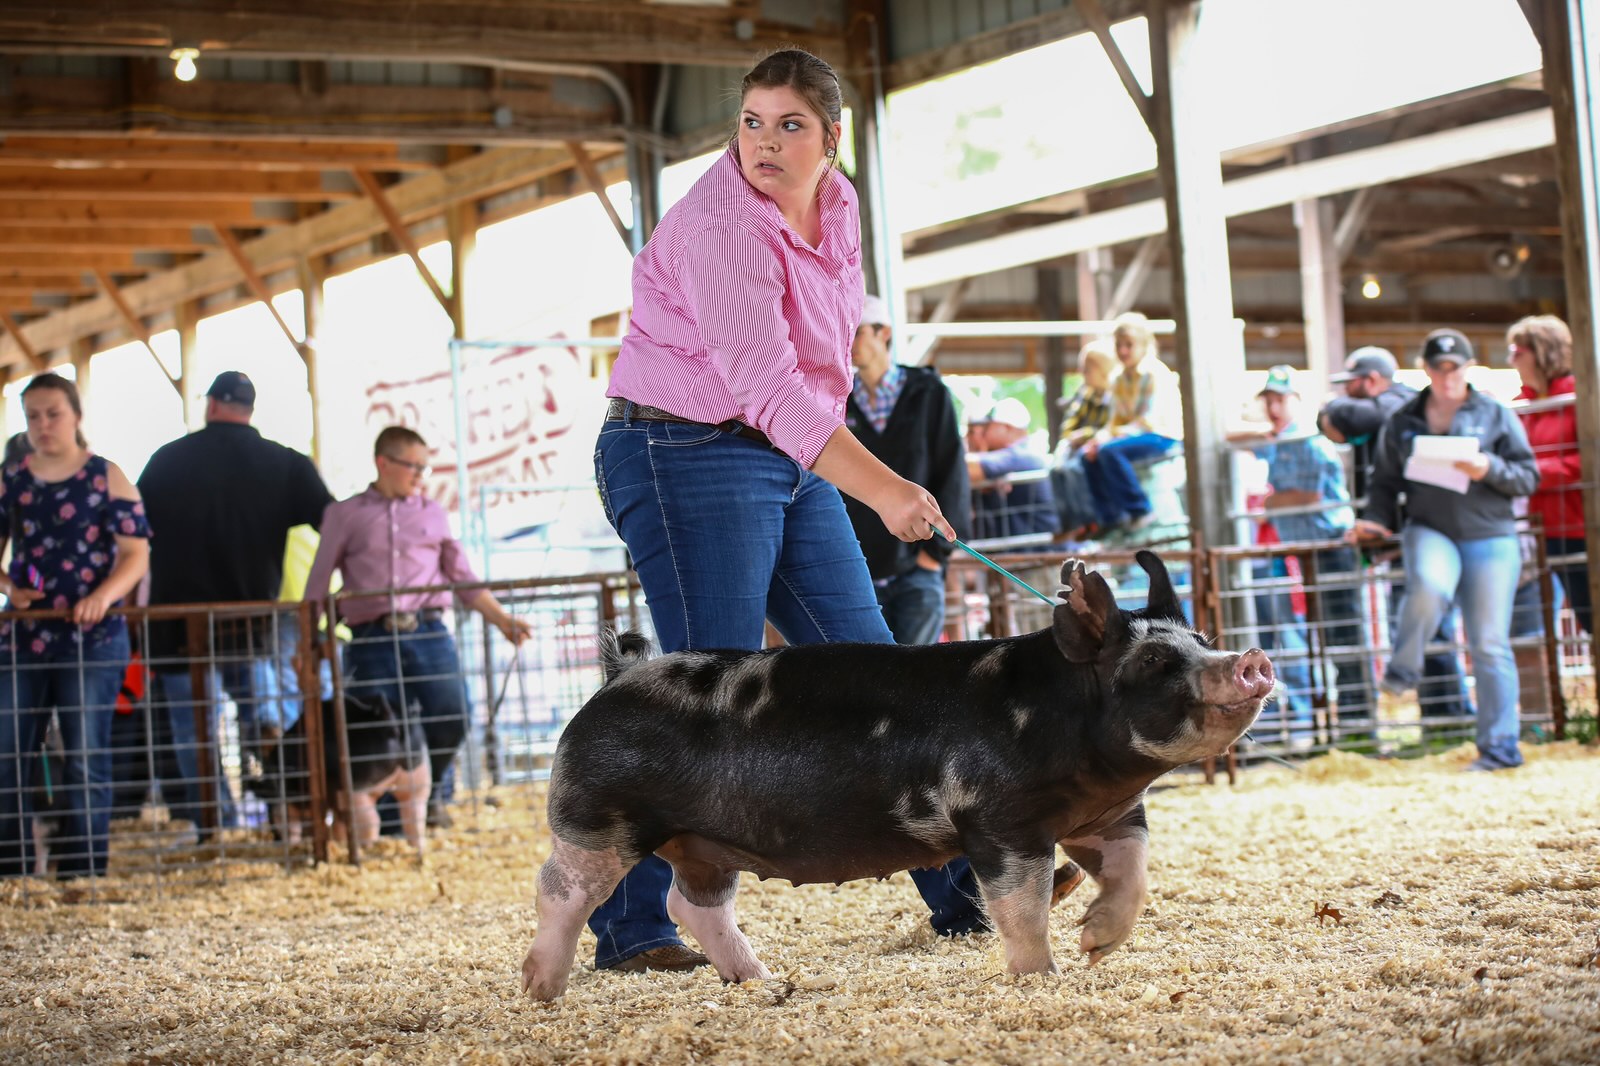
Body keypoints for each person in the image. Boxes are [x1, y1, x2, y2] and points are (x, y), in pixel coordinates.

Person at [595, 48, 988, 976]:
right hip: (681, 445)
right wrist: (882, 486)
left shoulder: (839, 206)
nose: (764, 142)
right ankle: (631, 927)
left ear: (832, 138)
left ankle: (970, 891)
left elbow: (818, 367)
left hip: (786, 447)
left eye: (789, 125)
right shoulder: (721, 227)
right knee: (710, 693)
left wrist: (842, 467)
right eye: (752, 122)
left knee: (877, 679)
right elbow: (766, 384)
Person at [304, 426, 531, 829]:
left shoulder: (433, 513)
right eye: (413, 466)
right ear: (383, 463)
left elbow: (462, 576)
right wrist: (306, 644)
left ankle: (430, 793)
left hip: (428, 632)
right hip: (370, 637)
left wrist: (501, 619)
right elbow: (318, 582)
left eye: (425, 467)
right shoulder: (344, 515)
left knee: (453, 714)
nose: (420, 476)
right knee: (378, 729)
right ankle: (395, 822)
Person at [137, 371, 334, 834]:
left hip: (177, 626)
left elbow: (130, 535)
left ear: (211, 405)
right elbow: (334, 522)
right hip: (252, 624)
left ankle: (216, 832)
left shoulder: (165, 461)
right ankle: (290, 819)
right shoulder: (285, 463)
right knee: (268, 721)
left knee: (195, 733)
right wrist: (321, 592)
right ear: (250, 409)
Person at [1353, 330, 1539, 772]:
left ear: (1469, 368)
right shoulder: (1404, 419)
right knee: (1430, 588)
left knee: (1489, 643)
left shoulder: (1494, 413)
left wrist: (1488, 467)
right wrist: (1375, 519)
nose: (1447, 376)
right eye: (1439, 368)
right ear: (1427, 369)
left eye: (1455, 368)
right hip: (1430, 526)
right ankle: (1403, 668)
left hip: (1490, 534)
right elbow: (1384, 482)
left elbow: (1527, 476)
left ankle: (1500, 749)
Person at [0, 373, 150, 878]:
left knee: (86, 753)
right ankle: (13, 873)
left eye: (53, 414)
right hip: (25, 634)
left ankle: (83, 873)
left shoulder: (107, 476)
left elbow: (136, 553)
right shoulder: (11, 479)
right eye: (33, 416)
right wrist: (10, 587)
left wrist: (103, 597)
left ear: (76, 416)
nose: (43, 425)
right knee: (8, 750)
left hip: (95, 635)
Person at [1320, 346, 1472, 721]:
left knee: (1428, 622)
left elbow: (1345, 417)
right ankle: (1443, 715)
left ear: (1372, 380)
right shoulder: (1397, 408)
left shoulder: (1400, 402)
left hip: (1422, 531)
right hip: (1403, 534)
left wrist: (1329, 411)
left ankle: (1450, 713)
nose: (1346, 391)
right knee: (1417, 622)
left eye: (1351, 384)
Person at [1227, 366, 1371, 743]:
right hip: (1307, 551)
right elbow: (1228, 436)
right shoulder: (1280, 440)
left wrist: (1271, 502)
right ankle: (1343, 724)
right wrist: (1265, 433)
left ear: (1297, 401)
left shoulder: (1309, 442)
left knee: (1342, 636)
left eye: (1281, 399)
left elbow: (1307, 496)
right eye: (1269, 400)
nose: (1274, 407)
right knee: (1324, 637)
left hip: (1330, 546)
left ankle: (1358, 722)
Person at [843, 294, 970, 646]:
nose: (848, 343)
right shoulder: (839, 401)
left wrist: (934, 556)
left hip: (918, 566)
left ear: (883, 332)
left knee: (918, 674)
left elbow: (951, 473)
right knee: (867, 672)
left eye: (857, 332)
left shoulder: (928, 393)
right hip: (860, 569)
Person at [1507, 314, 1589, 636]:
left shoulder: (1581, 396)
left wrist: (1531, 474)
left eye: (1518, 352)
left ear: (1543, 352)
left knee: (1590, 612)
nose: (1512, 360)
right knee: (1539, 626)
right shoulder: (1521, 406)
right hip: (1538, 530)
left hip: (1579, 524)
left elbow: (1589, 459)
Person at [1082, 312, 1183, 533]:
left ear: (1143, 345)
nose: (1123, 351)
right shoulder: (1117, 378)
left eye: (1129, 345)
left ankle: (1141, 510)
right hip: (1132, 435)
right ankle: (1110, 518)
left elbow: (1148, 421)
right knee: (1088, 455)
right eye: (1119, 345)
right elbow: (1114, 421)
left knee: (1109, 451)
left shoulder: (1155, 373)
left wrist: (1114, 437)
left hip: (1161, 435)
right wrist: (1098, 440)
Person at [966, 398, 1057, 541]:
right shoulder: (1026, 452)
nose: (983, 433)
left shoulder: (1019, 455)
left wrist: (980, 448)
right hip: (1031, 544)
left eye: (988, 427)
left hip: (1035, 548)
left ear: (1006, 428)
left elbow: (966, 468)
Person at [1051, 341, 1116, 538]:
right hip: (1079, 444)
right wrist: (1071, 437)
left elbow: (1112, 426)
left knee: (1074, 468)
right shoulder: (1085, 393)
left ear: (1102, 370)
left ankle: (1089, 520)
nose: (1083, 374)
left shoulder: (1113, 395)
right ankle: (1068, 523)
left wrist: (1086, 435)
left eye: (1087, 369)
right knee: (1056, 469)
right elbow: (1070, 421)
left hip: (1096, 444)